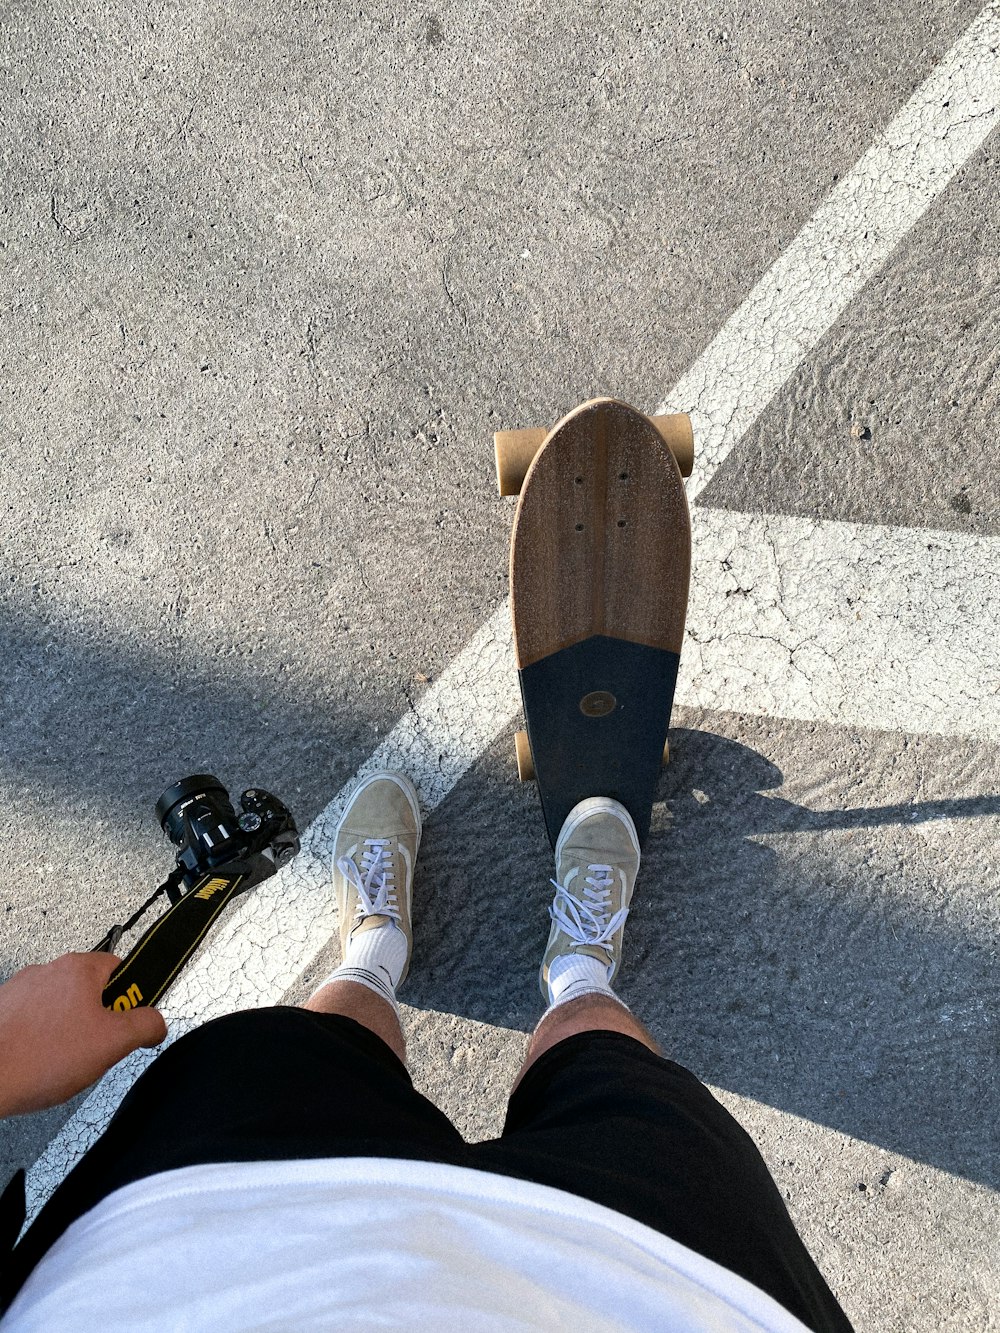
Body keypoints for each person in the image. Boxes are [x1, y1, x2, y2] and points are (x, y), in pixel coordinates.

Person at [0, 771, 852, 1330]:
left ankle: (373, 950)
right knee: (608, 1070)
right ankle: (580, 967)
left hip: (194, 1241)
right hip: (664, 1286)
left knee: (319, 1048)